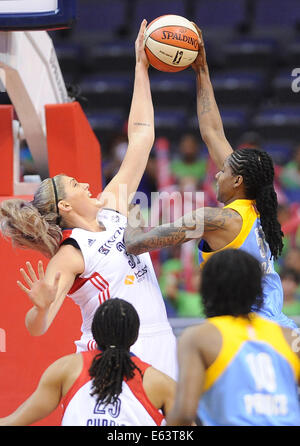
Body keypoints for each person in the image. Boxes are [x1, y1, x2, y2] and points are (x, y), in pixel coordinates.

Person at [0, 20, 177, 380]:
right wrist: (39, 307)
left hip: (161, 339)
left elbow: (141, 139)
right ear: (65, 206)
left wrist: (141, 69)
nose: (85, 183)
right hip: (116, 356)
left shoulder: (112, 208)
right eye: (75, 184)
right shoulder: (71, 253)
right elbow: (39, 325)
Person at [124, 25, 297, 330]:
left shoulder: (216, 219)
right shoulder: (257, 205)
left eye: (222, 171)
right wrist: (201, 69)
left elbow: (137, 243)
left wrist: (132, 215)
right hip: (282, 330)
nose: (216, 173)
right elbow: (212, 132)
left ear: (238, 181)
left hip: (248, 335)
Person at [165, 249, 300, 426]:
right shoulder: (290, 336)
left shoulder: (198, 337)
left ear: (208, 289)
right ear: (258, 288)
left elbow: (184, 413)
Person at [0, 298, 177, 426]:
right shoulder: (160, 382)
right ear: (135, 335)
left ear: (94, 332)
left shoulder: (67, 369)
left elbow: (14, 421)